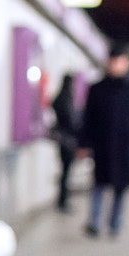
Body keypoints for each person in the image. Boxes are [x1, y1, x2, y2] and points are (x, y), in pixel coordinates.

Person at [76, 51, 129, 238]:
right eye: (113, 62)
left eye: (120, 62)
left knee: (120, 186)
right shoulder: (97, 89)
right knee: (98, 184)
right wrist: (84, 143)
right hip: (102, 145)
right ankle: (94, 222)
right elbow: (88, 118)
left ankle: (115, 222)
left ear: (126, 63)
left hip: (124, 146)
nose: (116, 65)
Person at [51, 73, 82, 212]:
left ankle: (63, 199)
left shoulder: (60, 98)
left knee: (65, 170)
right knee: (66, 171)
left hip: (63, 139)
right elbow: (69, 121)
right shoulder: (65, 100)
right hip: (67, 140)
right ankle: (62, 200)